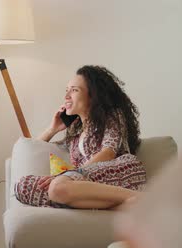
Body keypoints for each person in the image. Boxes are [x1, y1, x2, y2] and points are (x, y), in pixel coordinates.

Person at [15, 65, 146, 209]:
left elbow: (108, 152)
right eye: (66, 90)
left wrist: (69, 175)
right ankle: (120, 206)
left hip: (120, 172)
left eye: (74, 90)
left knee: (57, 188)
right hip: (87, 184)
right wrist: (52, 129)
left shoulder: (112, 115)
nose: (66, 96)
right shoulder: (74, 137)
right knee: (22, 186)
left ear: (93, 96)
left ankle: (140, 198)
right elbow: (32, 148)